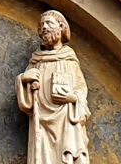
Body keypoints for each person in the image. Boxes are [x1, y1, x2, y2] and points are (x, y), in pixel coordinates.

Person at [18, 11, 90, 164]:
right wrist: (24, 79)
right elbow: (27, 102)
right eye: (42, 25)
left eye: (49, 23)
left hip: (65, 118)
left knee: (68, 154)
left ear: (61, 27)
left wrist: (73, 98)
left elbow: (81, 88)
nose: (45, 27)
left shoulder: (69, 59)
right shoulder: (37, 60)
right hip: (40, 120)